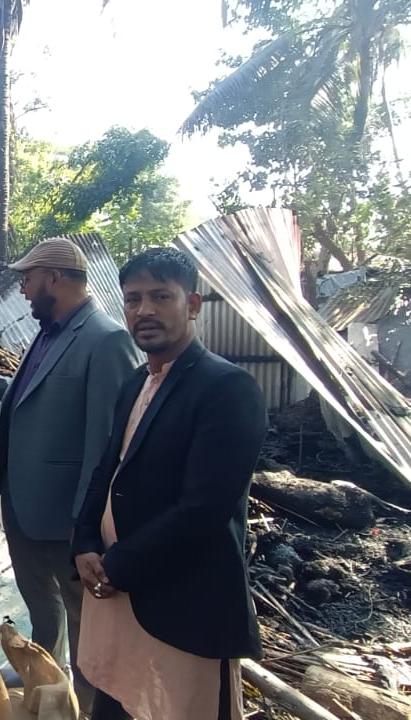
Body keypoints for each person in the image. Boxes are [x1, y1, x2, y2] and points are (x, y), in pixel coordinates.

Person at [72, 248, 267, 720]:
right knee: (116, 700)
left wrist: (120, 565)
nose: (144, 310)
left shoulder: (226, 388)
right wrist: (84, 542)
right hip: (116, 594)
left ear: (193, 304)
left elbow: (205, 507)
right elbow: (108, 469)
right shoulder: (135, 382)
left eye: (161, 296)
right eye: (133, 298)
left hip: (183, 601)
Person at [0, 237, 138, 707]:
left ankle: (89, 702)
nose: (23, 289)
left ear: (53, 277)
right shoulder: (49, 331)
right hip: (25, 503)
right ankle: (44, 672)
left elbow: (108, 445)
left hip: (66, 516)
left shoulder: (105, 339)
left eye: (27, 279)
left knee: (83, 615)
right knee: (40, 601)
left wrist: (85, 524)